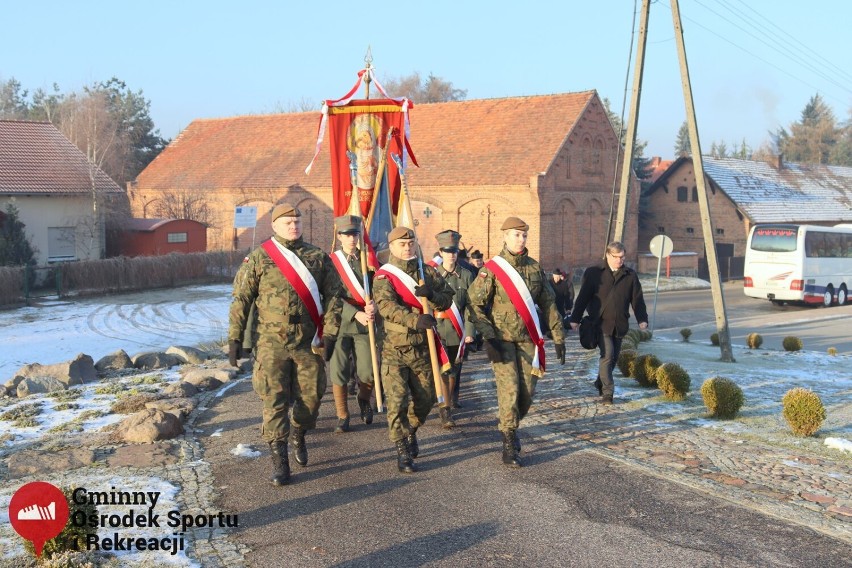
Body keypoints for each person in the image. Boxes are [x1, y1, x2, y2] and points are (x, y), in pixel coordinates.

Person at [228, 203, 343, 487]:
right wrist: (234, 338)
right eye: (287, 222)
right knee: (273, 401)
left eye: (297, 221)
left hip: (308, 341)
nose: (294, 226)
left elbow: (335, 298)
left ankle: (299, 432)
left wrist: (330, 334)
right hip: (270, 342)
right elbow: (241, 299)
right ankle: (279, 460)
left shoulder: (318, 258)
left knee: (311, 400)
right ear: (275, 226)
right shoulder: (260, 258)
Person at [468, 216, 565, 468]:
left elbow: (549, 303)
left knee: (527, 394)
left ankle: (510, 425)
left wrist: (558, 337)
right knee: (509, 391)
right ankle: (509, 439)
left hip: (528, 341)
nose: (520, 239)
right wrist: (488, 336)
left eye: (523, 235)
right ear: (505, 236)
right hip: (502, 341)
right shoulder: (491, 269)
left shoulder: (534, 268)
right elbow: (475, 305)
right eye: (515, 235)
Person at [373, 226, 454, 473]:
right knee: (397, 402)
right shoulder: (383, 277)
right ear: (392, 247)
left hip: (422, 349)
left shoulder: (426, 271)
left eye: (410, 243)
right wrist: (414, 320)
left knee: (425, 399)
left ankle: (411, 430)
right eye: (402, 244)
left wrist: (433, 295)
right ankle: (402, 450)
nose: (407, 247)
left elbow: (448, 297)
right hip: (394, 350)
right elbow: (387, 307)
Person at [569, 241, 648, 405]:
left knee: (613, 359)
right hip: (600, 324)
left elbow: (637, 300)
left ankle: (600, 381)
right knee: (607, 355)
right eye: (616, 257)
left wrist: (642, 319)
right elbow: (583, 297)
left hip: (619, 325)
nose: (620, 260)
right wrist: (575, 318)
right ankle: (608, 393)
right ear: (607, 255)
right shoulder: (594, 274)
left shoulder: (630, 275)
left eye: (622, 257)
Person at [328, 215, 378, 433]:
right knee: (338, 370)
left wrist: (374, 303)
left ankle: (364, 399)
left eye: (355, 234)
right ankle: (342, 414)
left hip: (364, 324)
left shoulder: (368, 260)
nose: (351, 238)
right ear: (339, 236)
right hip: (339, 323)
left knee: (368, 370)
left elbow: (380, 286)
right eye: (347, 235)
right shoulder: (330, 263)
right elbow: (328, 295)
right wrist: (354, 312)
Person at [433, 229, 476, 420]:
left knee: (454, 368)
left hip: (457, 330)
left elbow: (471, 306)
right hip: (437, 329)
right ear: (440, 252)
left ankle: (449, 403)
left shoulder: (467, 275)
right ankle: (444, 406)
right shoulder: (432, 274)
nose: (451, 255)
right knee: (442, 368)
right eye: (447, 251)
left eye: (454, 251)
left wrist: (470, 330)